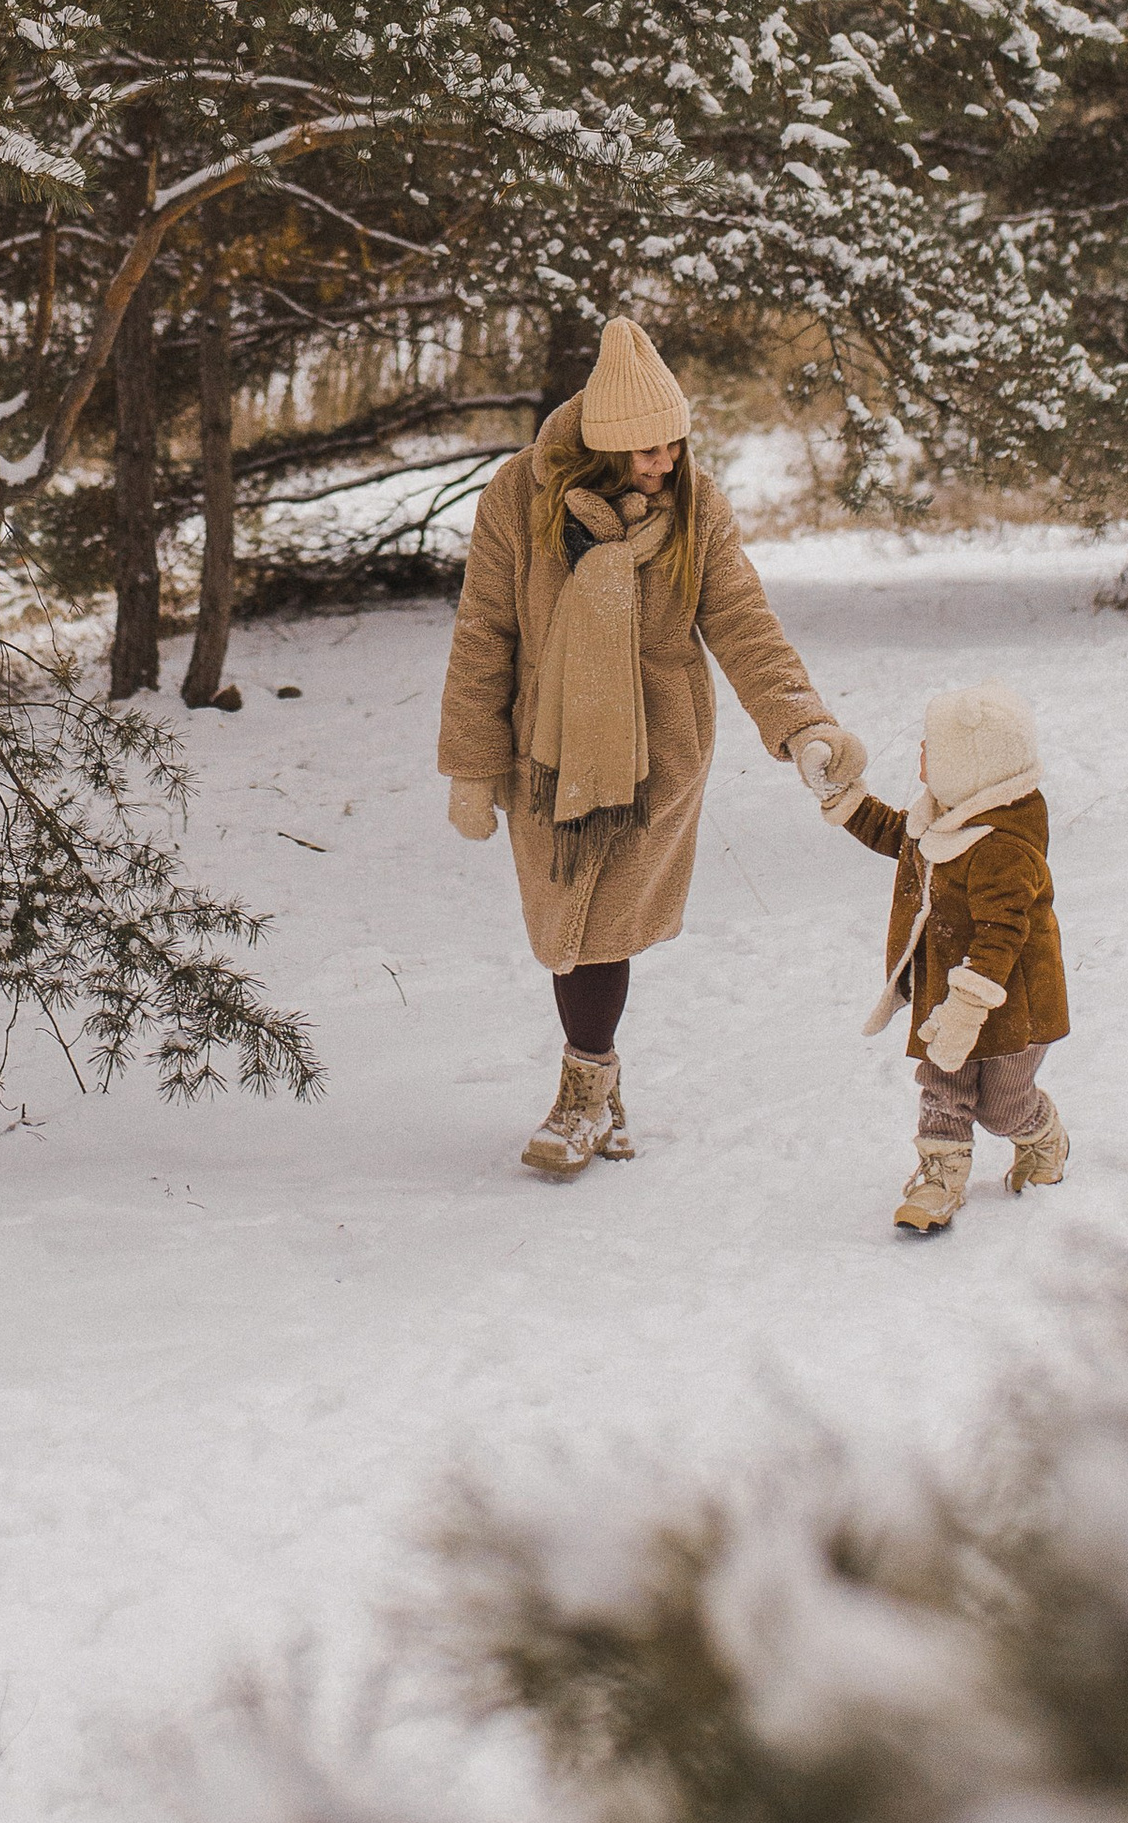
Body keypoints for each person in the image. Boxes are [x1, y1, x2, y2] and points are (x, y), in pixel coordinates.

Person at [438, 315, 865, 1177]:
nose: (664, 464)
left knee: (601, 931)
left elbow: (742, 619)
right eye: (644, 453)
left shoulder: (696, 509)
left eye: (674, 445)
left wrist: (801, 722)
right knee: (570, 929)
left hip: (657, 753)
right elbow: (484, 633)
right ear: (600, 445)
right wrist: (472, 764)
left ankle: (583, 1095)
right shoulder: (517, 498)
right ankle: (604, 1088)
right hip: (545, 753)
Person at [821, 676, 1069, 1235]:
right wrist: (844, 797)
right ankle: (938, 1176)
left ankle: (1040, 1131)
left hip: (1014, 1005)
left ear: (972, 765)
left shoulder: (1005, 848)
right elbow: (897, 837)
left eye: (932, 747)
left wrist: (968, 1009)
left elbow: (1001, 937)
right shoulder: (946, 815)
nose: (921, 754)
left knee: (1002, 1105)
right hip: (947, 988)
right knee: (944, 1086)